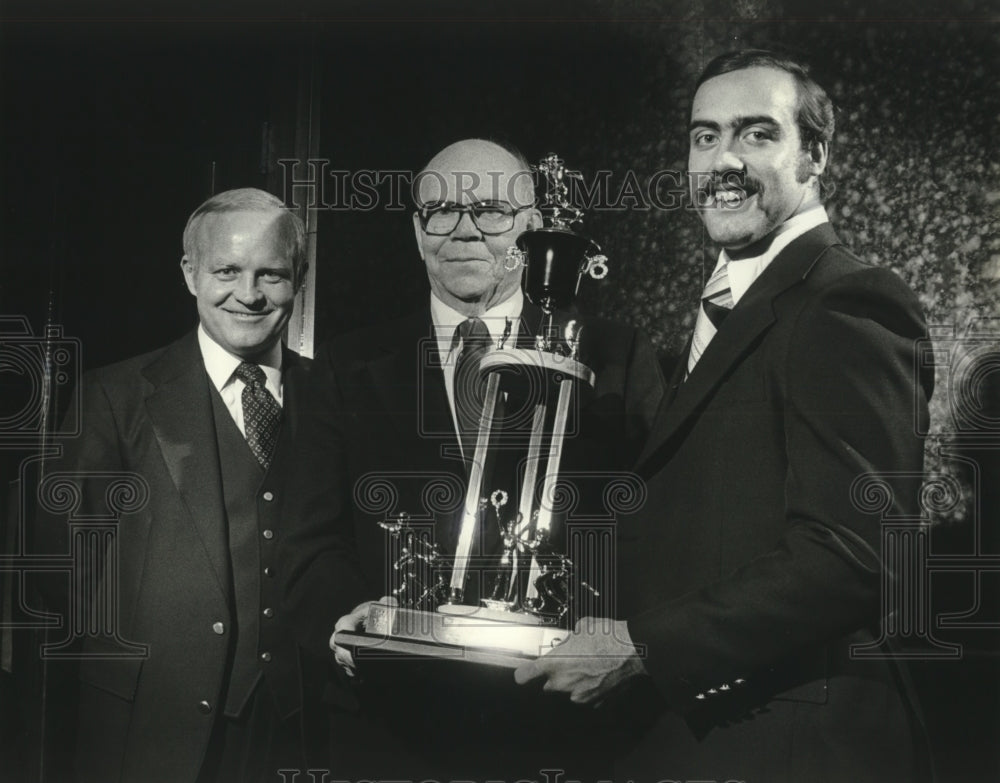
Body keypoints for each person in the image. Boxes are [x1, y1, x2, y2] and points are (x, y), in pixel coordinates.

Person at [515, 50, 936, 783]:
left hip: (790, 746)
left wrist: (643, 646)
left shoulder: (847, 300)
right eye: (704, 136)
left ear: (816, 156)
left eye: (757, 134)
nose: (725, 159)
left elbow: (858, 553)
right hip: (706, 740)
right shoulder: (724, 313)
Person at [278, 138, 665, 779]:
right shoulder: (345, 367)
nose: (463, 231)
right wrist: (353, 626)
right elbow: (308, 542)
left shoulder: (616, 355)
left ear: (534, 226)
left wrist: (623, 641)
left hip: (561, 732)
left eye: (490, 211)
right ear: (415, 229)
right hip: (390, 732)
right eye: (441, 211)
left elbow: (659, 526)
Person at [33, 188, 312, 783]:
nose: (249, 294)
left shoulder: (331, 398)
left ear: (299, 278)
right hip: (151, 733)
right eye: (227, 271)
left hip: (297, 729)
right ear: (190, 274)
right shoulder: (113, 396)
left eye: (272, 274)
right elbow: (50, 580)